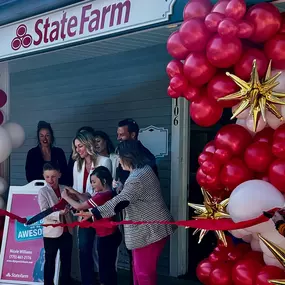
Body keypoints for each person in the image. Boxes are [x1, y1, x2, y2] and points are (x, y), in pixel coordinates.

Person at [76, 140, 176, 285]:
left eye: (119, 157)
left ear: (128, 156)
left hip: (149, 232)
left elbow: (121, 201)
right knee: (139, 271)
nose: (118, 161)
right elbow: (131, 196)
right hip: (150, 230)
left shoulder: (137, 177)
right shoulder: (143, 171)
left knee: (143, 274)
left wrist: (94, 213)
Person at [114, 118, 159, 284]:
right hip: (127, 214)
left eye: (122, 134)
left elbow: (149, 188)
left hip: (143, 218)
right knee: (133, 258)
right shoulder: (122, 154)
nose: (118, 138)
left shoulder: (147, 158)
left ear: (133, 134)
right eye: (117, 134)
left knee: (144, 267)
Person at [61, 166, 122, 285]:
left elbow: (80, 206)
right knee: (109, 268)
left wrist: (66, 197)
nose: (92, 185)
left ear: (103, 181)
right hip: (113, 234)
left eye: (94, 182)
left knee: (105, 270)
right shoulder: (110, 193)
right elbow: (88, 199)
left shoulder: (101, 196)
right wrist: (76, 193)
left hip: (106, 237)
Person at [71, 130, 112, 285]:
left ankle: (103, 280)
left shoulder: (104, 161)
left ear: (88, 144)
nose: (78, 150)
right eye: (76, 147)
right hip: (83, 210)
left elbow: (108, 190)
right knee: (84, 248)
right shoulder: (77, 165)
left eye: (80, 146)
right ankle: (87, 281)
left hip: (100, 211)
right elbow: (76, 188)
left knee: (102, 251)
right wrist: (75, 205)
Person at [37, 162, 73, 285]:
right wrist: (60, 213)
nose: (50, 179)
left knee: (67, 260)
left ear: (59, 175)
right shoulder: (43, 192)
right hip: (51, 232)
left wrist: (70, 209)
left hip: (67, 230)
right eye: (47, 177)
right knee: (50, 260)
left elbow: (73, 204)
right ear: (43, 176)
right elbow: (44, 212)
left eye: (53, 176)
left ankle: (66, 281)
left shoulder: (65, 188)